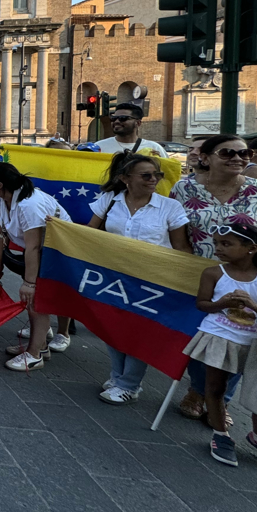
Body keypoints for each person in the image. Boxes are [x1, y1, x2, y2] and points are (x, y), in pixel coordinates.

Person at [170, 134, 257, 420]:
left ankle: (221, 399)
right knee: (203, 332)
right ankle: (198, 389)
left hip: (249, 278)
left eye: (245, 154)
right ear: (206, 157)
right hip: (201, 275)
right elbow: (177, 235)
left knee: (242, 335)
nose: (238, 159)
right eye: (227, 153)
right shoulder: (183, 189)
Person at [87, 153, 191, 404]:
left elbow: (181, 248)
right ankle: (117, 375)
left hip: (153, 280)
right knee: (113, 326)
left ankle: (130, 384)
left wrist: (189, 279)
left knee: (140, 332)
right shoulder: (109, 201)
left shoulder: (170, 207)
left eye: (157, 175)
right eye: (146, 175)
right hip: (114, 275)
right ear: (125, 178)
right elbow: (88, 233)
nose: (153, 179)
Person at [186, 223, 257, 469]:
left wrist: (255, 307)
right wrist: (220, 302)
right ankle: (220, 434)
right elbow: (202, 304)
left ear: (250, 248)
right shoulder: (213, 273)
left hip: (256, 342)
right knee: (214, 387)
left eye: (226, 244)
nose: (218, 249)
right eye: (217, 243)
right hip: (220, 336)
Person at [0, 161, 72, 371]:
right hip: (39, 250)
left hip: (57, 251)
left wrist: (29, 283)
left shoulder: (29, 205)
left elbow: (34, 248)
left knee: (35, 300)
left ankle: (34, 355)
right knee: (33, 301)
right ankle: (40, 347)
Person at [94, 104, 168, 157]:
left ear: (138, 123)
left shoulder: (154, 148)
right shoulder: (99, 147)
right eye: (113, 118)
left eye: (123, 118)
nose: (116, 121)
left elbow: (167, 175)